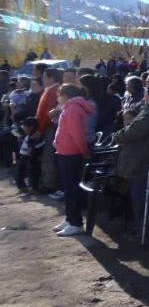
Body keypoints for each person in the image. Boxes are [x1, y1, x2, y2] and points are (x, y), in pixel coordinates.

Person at [113, 83, 149, 237]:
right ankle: (142, 229)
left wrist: (118, 136)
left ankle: (143, 231)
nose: (144, 96)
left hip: (142, 161)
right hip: (145, 159)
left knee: (141, 199)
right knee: (141, 198)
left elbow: (133, 131)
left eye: (146, 93)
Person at [52, 84, 94, 237]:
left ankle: (76, 223)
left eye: (59, 95)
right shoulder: (69, 108)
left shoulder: (73, 109)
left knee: (71, 190)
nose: (57, 98)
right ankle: (70, 218)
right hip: (65, 153)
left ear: (65, 95)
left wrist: (84, 152)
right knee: (68, 189)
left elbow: (77, 135)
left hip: (71, 155)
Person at [36, 68, 62, 194]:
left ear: (51, 77)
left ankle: (49, 184)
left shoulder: (54, 91)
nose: (43, 79)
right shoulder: (48, 89)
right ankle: (45, 181)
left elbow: (48, 113)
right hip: (44, 127)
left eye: (45, 77)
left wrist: (40, 130)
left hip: (49, 128)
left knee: (48, 157)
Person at [15, 117, 45, 193]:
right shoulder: (26, 135)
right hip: (23, 156)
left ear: (31, 127)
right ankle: (22, 187)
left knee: (33, 173)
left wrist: (33, 148)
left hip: (32, 157)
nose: (23, 129)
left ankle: (34, 188)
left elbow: (42, 143)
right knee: (18, 171)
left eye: (24, 127)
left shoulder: (37, 136)